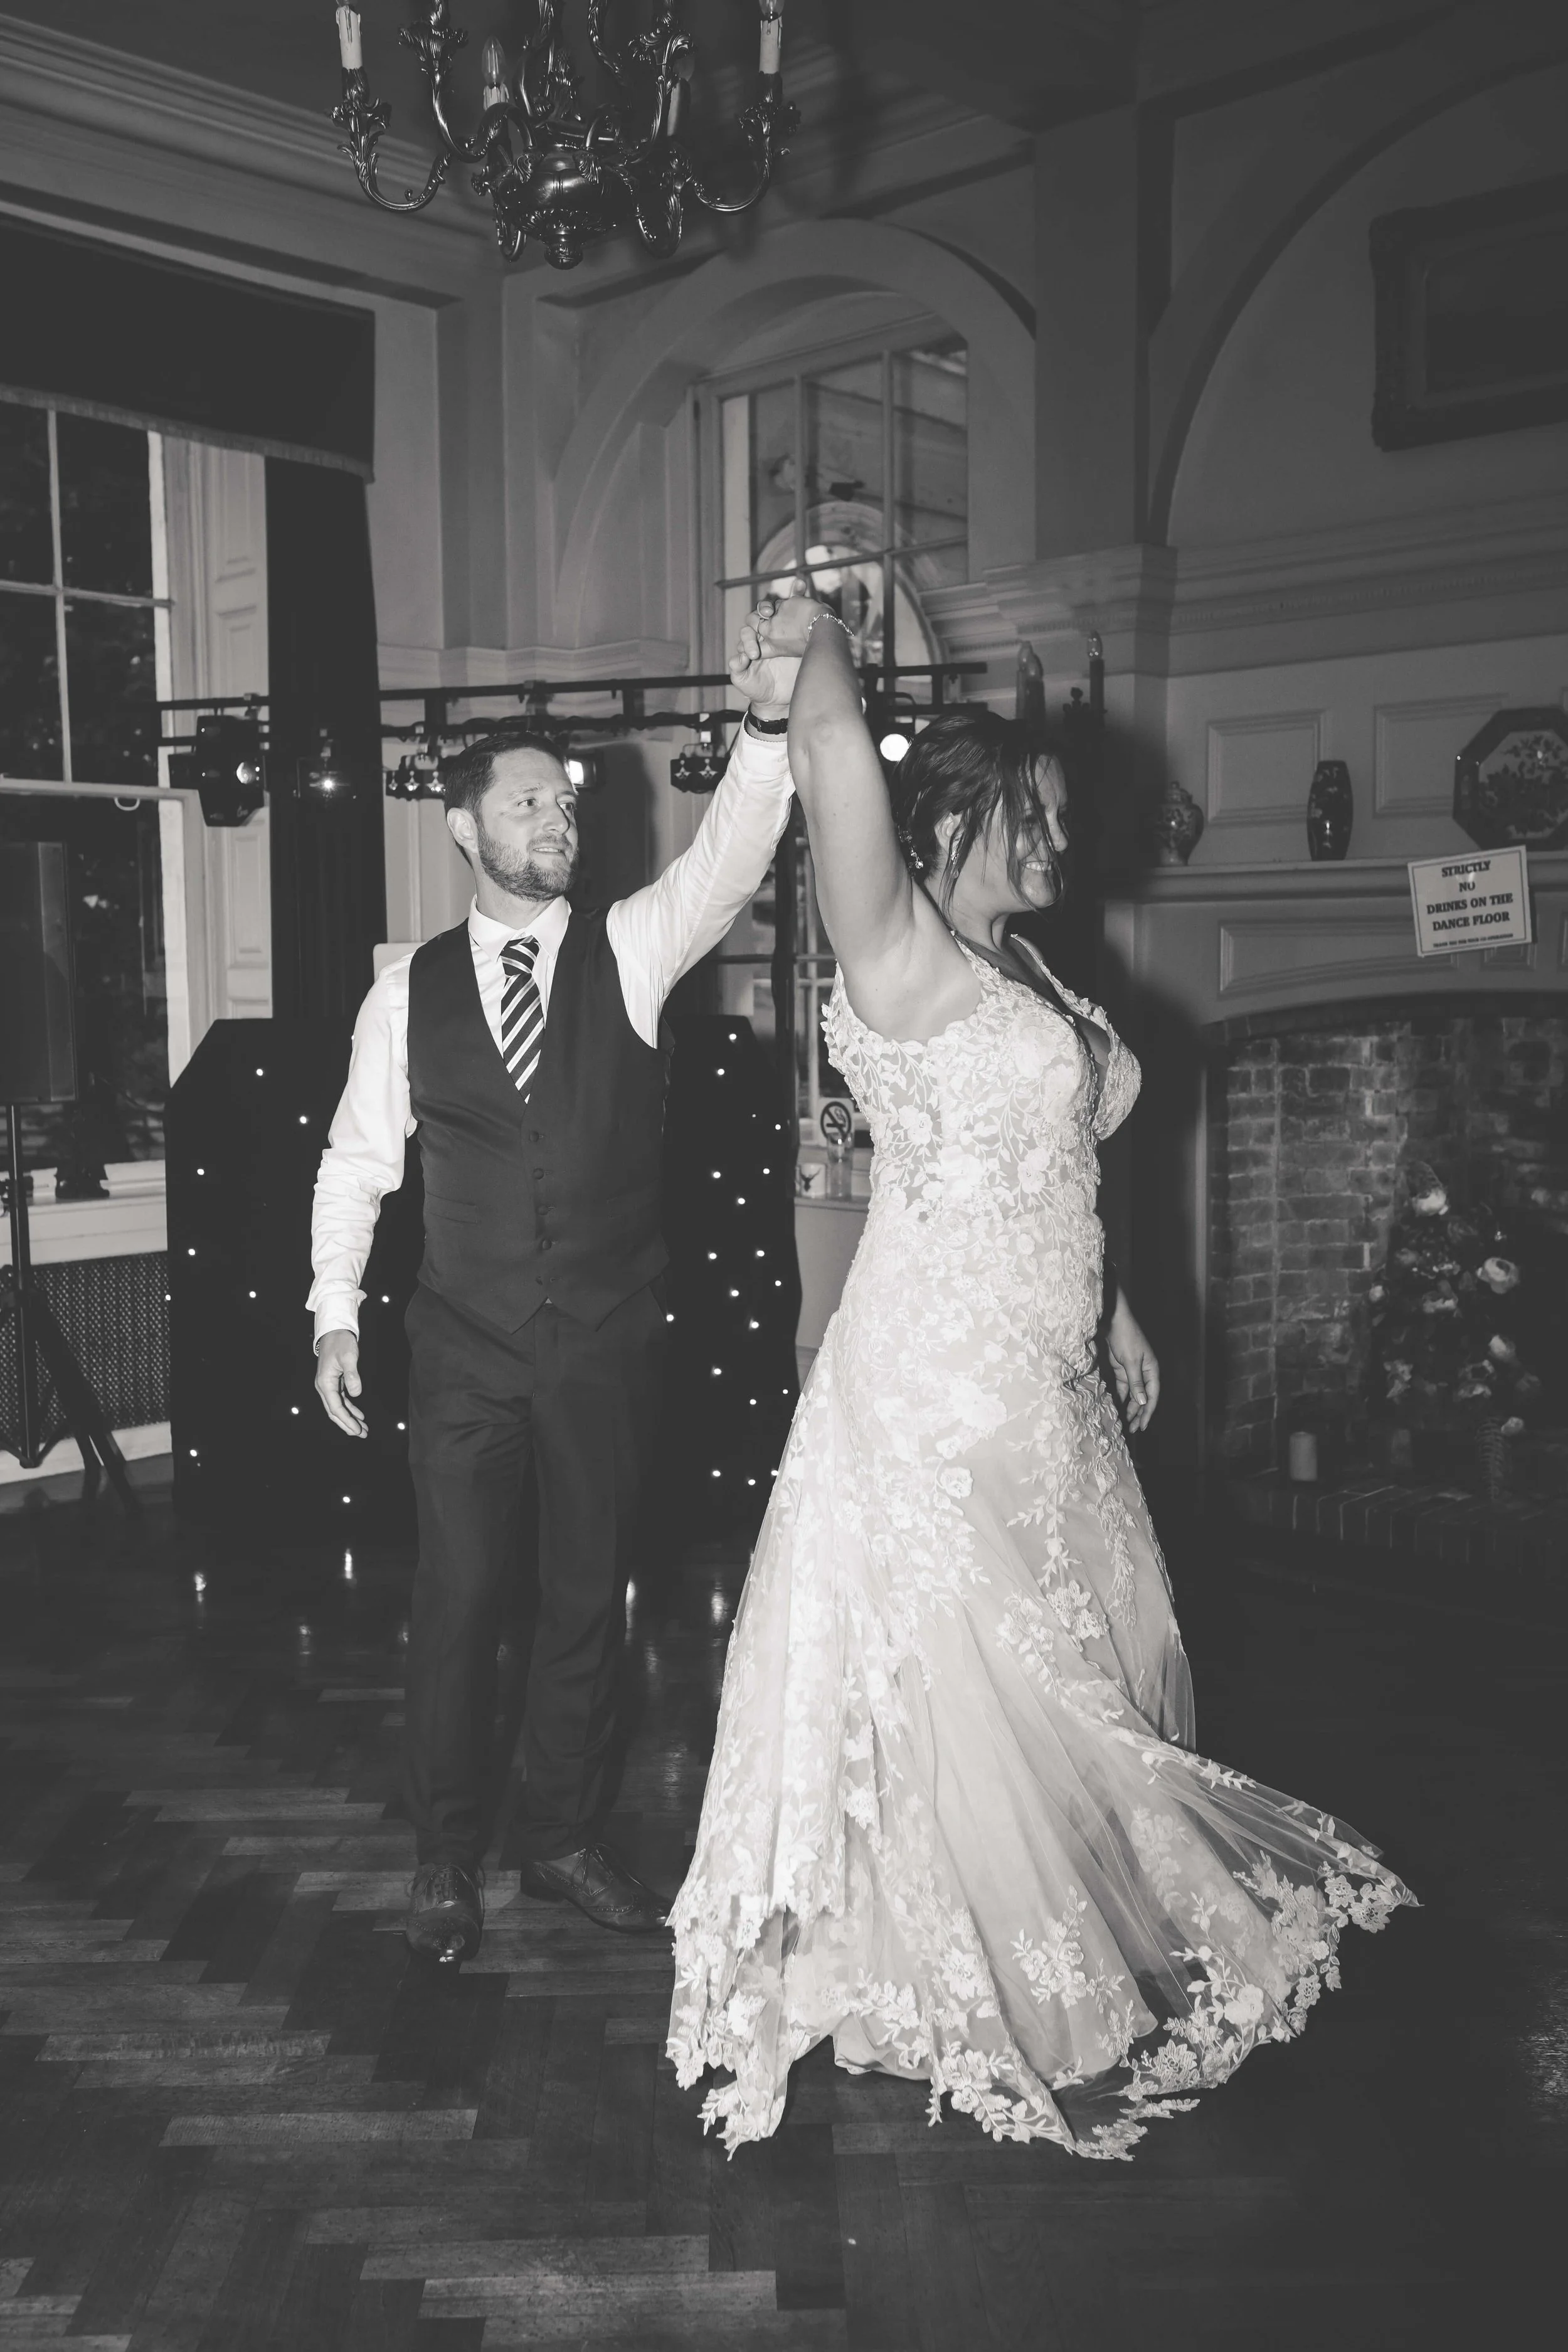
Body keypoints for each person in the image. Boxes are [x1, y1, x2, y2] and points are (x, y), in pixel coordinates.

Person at [668, 593, 1414, 2156]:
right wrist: (811, 636)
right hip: (939, 1374)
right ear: (956, 812)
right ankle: (964, 1980)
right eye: (1040, 817)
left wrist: (1117, 1311)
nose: (1065, 844)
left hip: (1045, 1369)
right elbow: (825, 745)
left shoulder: (1020, 969)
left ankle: (1028, 1951)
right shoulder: (892, 949)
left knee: (1067, 1666)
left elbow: (1051, 1160)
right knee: (978, 1680)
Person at [309, 622, 797, 1963]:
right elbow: (356, 1165)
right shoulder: (402, 994)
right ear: (462, 828)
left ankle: (565, 1838)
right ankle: (443, 1854)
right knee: (461, 1605)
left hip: (604, 1346)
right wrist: (335, 1312)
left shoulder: (631, 948)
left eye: (562, 799)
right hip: (462, 1351)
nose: (556, 816)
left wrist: (761, 734)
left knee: (589, 1602)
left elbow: (728, 860)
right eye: (525, 800)